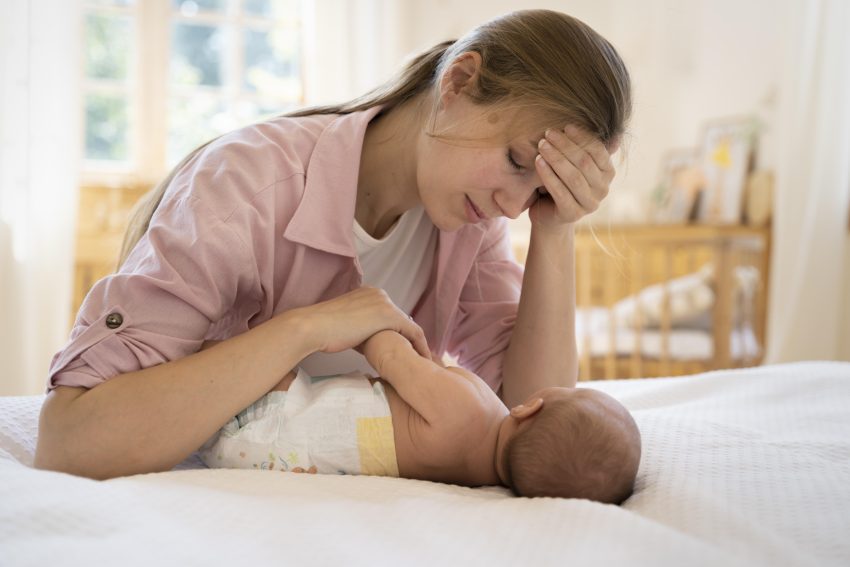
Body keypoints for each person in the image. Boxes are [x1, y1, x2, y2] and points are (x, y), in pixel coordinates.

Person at [34, 9, 631, 480]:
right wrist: (306, 328)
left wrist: (555, 229)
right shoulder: (244, 184)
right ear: (459, 80)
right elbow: (71, 439)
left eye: (539, 188)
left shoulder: (472, 224)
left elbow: (528, 432)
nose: (512, 204)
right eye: (517, 161)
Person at [201, 330, 642, 503]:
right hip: (261, 456)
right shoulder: (473, 476)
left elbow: (394, 359)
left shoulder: (473, 407)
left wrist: (373, 323)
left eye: (566, 389)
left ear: (529, 409)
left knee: (255, 341)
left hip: (272, 414)